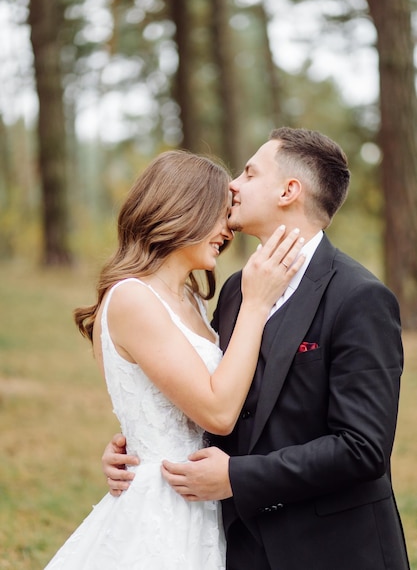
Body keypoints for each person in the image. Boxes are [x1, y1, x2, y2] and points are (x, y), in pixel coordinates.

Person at [103, 128, 410, 570]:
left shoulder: (359, 297)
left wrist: (235, 477)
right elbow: (211, 391)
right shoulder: (233, 291)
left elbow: (363, 448)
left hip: (334, 550)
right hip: (240, 546)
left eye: (249, 173)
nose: (232, 185)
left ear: (289, 191)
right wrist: (139, 450)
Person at [44, 150, 305, 570]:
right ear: (185, 210)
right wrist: (257, 304)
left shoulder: (190, 300)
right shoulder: (132, 297)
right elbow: (218, 413)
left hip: (203, 499)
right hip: (163, 506)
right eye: (220, 215)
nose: (228, 230)